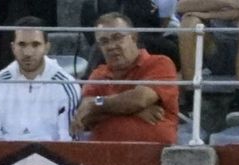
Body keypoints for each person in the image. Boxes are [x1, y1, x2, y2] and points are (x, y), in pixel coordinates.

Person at [73, 11, 179, 144]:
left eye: (117, 37)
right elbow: (84, 116)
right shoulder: (99, 74)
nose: (111, 46)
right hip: (104, 156)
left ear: (134, 37)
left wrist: (97, 103)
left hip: (154, 154)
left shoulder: (160, 63)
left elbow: (139, 100)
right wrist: (133, 111)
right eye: (104, 42)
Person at [0, 15, 81, 141]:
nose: (28, 52)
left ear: (46, 47)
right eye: (22, 44)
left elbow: (68, 140)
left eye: (35, 44)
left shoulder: (66, 85)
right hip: (7, 157)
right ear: (13, 47)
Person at [176, 0, 239, 122]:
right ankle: (191, 98)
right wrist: (230, 2)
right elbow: (182, 6)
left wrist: (208, 14)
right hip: (219, 49)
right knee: (189, 22)